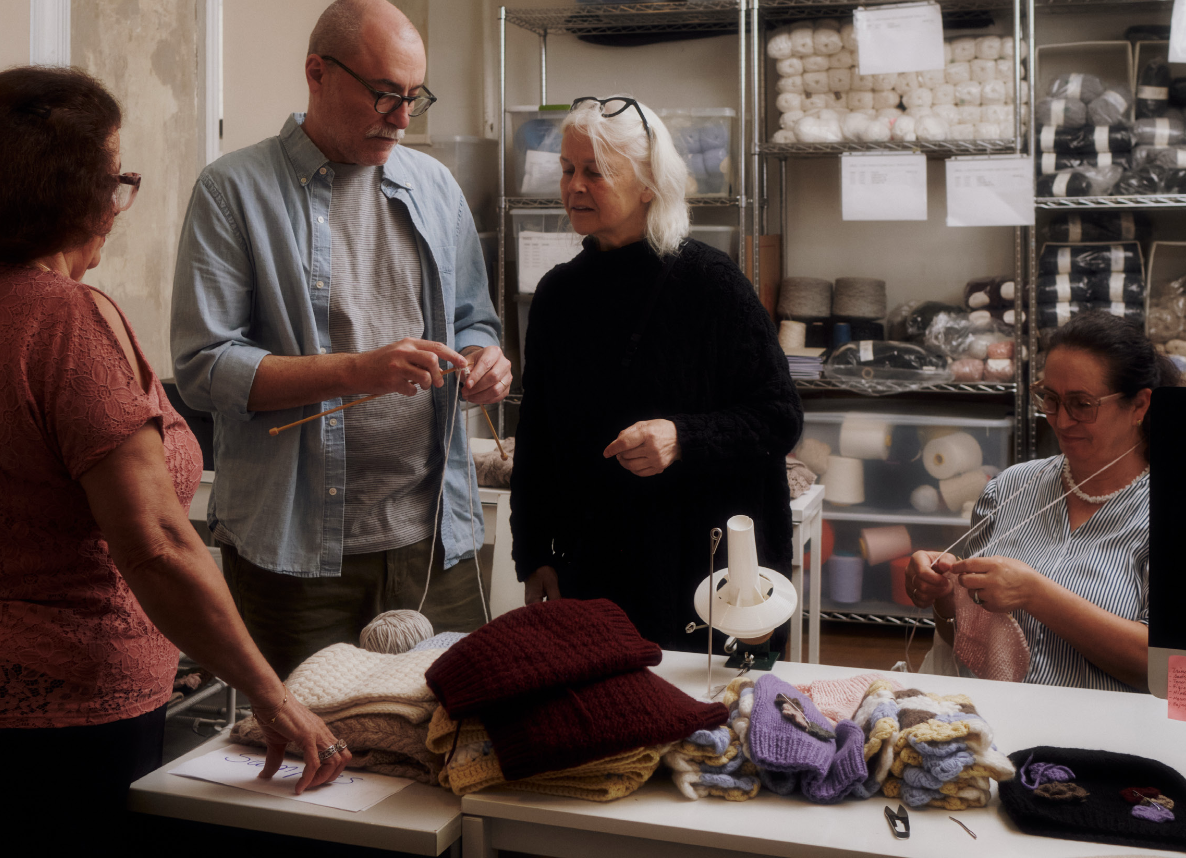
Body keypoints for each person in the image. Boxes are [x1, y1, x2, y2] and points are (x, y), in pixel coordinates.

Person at [0, 66, 350, 837]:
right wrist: (271, 695)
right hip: (73, 716)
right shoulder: (65, 324)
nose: (118, 202)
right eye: (116, 179)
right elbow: (155, 544)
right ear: (72, 193)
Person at [171, 0, 510, 679]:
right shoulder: (232, 191)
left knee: (450, 732)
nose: (403, 118)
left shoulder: (435, 187)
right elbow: (205, 369)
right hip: (293, 552)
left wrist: (485, 359)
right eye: (385, 94)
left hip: (436, 538)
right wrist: (357, 371)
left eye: (414, 97)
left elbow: (475, 319)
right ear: (317, 73)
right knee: (306, 739)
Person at [509, 96, 803, 650]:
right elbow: (538, 435)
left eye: (595, 172)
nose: (574, 187)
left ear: (648, 183)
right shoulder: (558, 295)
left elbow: (779, 417)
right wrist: (534, 552)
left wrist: (682, 437)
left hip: (705, 571)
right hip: (594, 566)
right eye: (567, 169)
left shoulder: (712, 284)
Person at [907, 311, 1179, 692]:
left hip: (1101, 730)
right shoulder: (1010, 488)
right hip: (997, 721)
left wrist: (1037, 595)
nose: (1061, 421)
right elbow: (967, 642)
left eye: (1082, 404)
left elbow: (1169, 672)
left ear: (1140, 405)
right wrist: (943, 598)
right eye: (1050, 399)